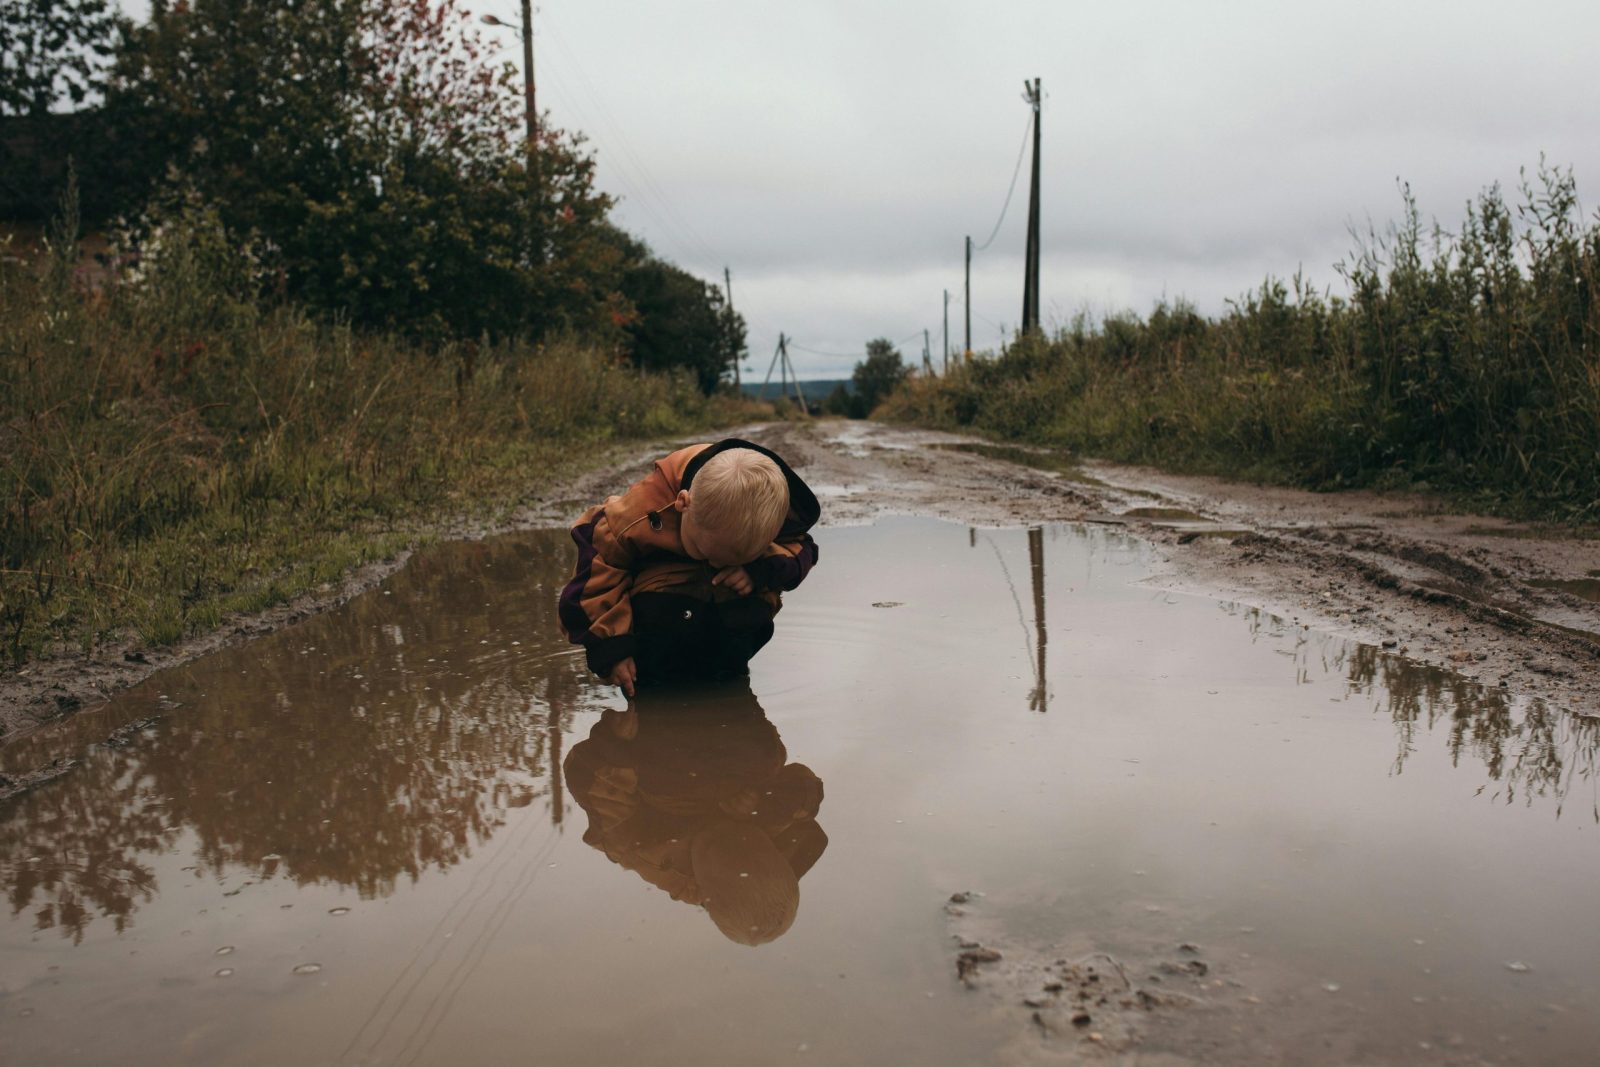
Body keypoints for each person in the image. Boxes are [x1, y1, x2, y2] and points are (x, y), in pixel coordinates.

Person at [562, 682, 828, 945]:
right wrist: (765, 806)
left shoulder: (647, 853)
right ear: (771, 850)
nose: (723, 829)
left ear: (702, 885)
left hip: (658, 752)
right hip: (722, 728)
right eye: (743, 835)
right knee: (768, 760)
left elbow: (584, 777)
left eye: (715, 845)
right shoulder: (777, 857)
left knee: (662, 778)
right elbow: (806, 792)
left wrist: (615, 746)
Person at [558, 438, 820, 694]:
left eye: (731, 561)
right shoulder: (644, 509)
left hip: (720, 615)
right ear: (683, 503)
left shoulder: (775, 513)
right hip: (661, 602)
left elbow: (798, 550)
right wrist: (612, 648)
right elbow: (598, 569)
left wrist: (756, 571)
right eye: (705, 552)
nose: (715, 565)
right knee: (657, 617)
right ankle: (651, 676)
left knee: (755, 599)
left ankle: (726, 673)